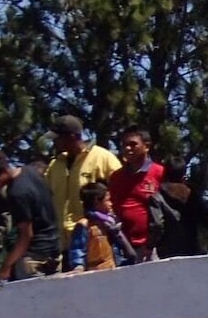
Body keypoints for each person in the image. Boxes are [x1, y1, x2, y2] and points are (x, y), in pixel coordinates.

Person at [44, 115, 122, 261]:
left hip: (95, 242)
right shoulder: (54, 166)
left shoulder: (103, 157)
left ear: (72, 137)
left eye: (57, 138)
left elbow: (120, 194)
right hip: (63, 247)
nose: (54, 142)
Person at [0, 151, 60, 281]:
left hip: (33, 258)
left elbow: (26, 235)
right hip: (54, 249)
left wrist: (6, 266)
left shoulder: (16, 193)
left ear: (1, 173)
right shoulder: (31, 172)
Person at [107, 127, 166, 260]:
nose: (128, 148)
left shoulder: (159, 172)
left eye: (133, 144)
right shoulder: (116, 177)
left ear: (146, 146)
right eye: (124, 145)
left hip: (153, 247)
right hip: (124, 248)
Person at [66, 183, 138, 272]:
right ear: (97, 201)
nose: (111, 204)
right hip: (96, 273)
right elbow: (78, 249)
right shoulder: (85, 225)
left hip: (114, 269)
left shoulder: (111, 223)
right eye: (107, 200)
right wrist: (78, 267)